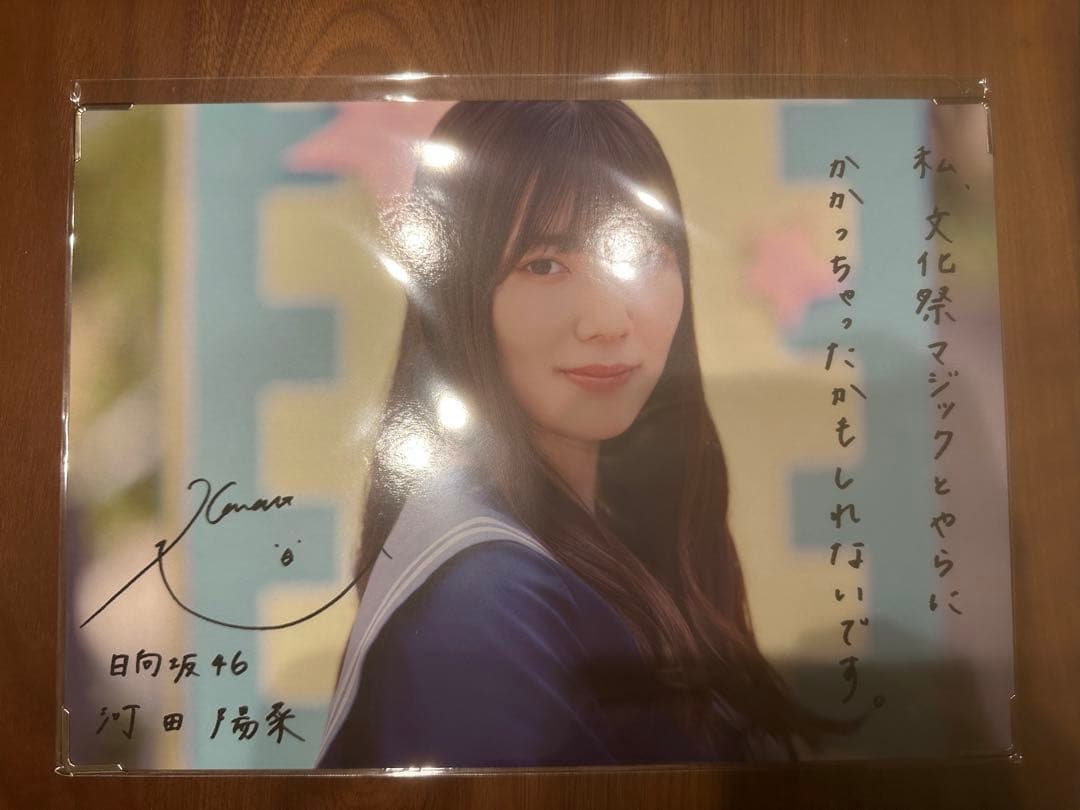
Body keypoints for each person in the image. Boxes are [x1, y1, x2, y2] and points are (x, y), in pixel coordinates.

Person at [316, 100, 843, 768]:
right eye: (544, 264)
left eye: (642, 254)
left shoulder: (609, 535)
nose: (608, 322)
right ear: (456, 292)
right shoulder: (488, 599)